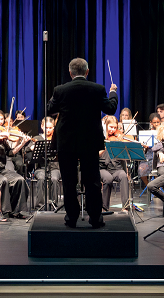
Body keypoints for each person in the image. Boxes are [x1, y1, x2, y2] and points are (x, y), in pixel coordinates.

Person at [47, 58, 118, 228]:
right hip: (89, 142)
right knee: (92, 181)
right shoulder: (98, 89)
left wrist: (55, 98)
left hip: (66, 143)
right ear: (87, 72)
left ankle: (71, 218)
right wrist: (113, 93)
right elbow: (110, 109)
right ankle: (95, 217)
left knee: (69, 181)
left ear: (70, 73)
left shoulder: (60, 90)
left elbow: (50, 109)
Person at [26, 117, 59, 208]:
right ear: (42, 126)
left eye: (50, 128)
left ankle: (54, 204)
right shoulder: (37, 138)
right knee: (41, 178)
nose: (48, 130)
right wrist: (31, 148)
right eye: (46, 128)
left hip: (55, 167)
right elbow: (26, 152)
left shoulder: (56, 139)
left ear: (54, 128)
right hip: (41, 168)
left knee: (55, 179)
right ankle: (40, 205)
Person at [100, 116, 129, 213]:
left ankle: (125, 206)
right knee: (108, 179)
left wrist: (120, 144)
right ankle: (104, 207)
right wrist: (105, 146)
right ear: (106, 126)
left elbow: (124, 157)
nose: (113, 130)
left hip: (115, 168)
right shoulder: (100, 137)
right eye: (111, 127)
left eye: (115, 128)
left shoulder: (117, 138)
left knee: (123, 175)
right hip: (102, 168)